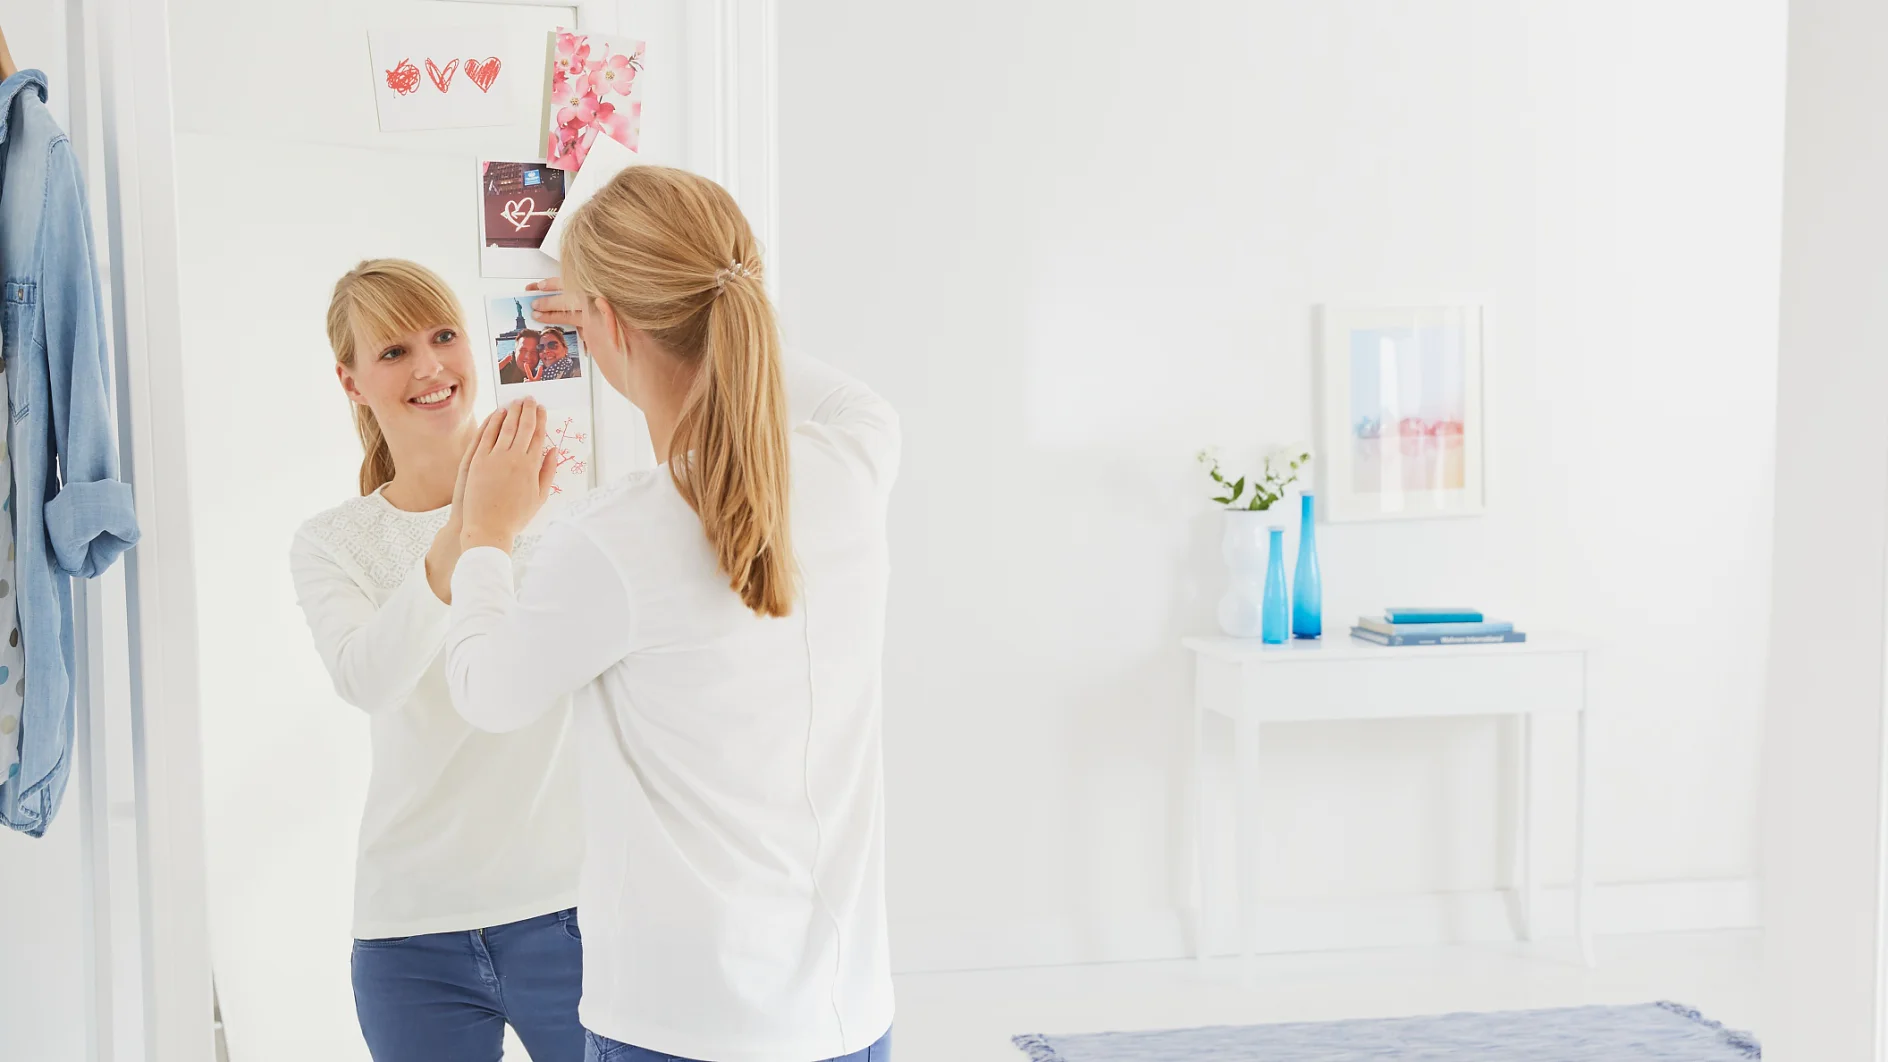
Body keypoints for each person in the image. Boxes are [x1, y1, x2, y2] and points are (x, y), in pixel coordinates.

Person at [437, 166, 899, 1062]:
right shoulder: (852, 465)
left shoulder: (611, 540)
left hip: (683, 1032)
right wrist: (674, 308)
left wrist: (486, 532)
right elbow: (845, 398)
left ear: (604, 322)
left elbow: (486, 692)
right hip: (850, 1020)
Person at [288, 259, 587, 1062]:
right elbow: (366, 679)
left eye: (443, 335)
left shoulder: (564, 494)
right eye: (392, 352)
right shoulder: (333, 542)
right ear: (351, 383)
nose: (429, 367)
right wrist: (470, 530)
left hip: (571, 909)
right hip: (409, 931)